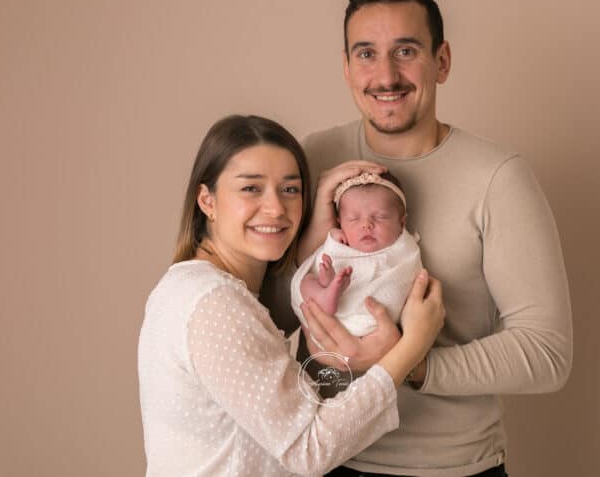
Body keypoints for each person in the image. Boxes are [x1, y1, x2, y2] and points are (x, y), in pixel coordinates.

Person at [292, 0, 573, 477]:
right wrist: (312, 233)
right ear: (346, 66)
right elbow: (265, 315)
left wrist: (410, 362)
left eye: (405, 51)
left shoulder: (497, 179)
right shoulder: (312, 158)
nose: (385, 75)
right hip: (320, 457)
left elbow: (547, 352)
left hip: (449, 468)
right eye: (365, 53)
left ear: (441, 60)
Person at [137, 115, 445, 476]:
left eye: (290, 189)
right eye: (251, 188)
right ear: (207, 200)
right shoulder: (215, 303)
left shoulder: (193, 286)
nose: (276, 209)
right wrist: (410, 349)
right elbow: (309, 449)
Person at [291, 171, 422, 336]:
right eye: (353, 219)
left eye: (380, 217)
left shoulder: (405, 250)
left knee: (308, 281)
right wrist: (333, 239)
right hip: (323, 315)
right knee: (306, 279)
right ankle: (326, 292)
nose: (366, 225)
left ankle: (330, 290)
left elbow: (408, 278)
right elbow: (325, 254)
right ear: (340, 222)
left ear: (402, 222)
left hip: (372, 320)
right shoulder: (340, 241)